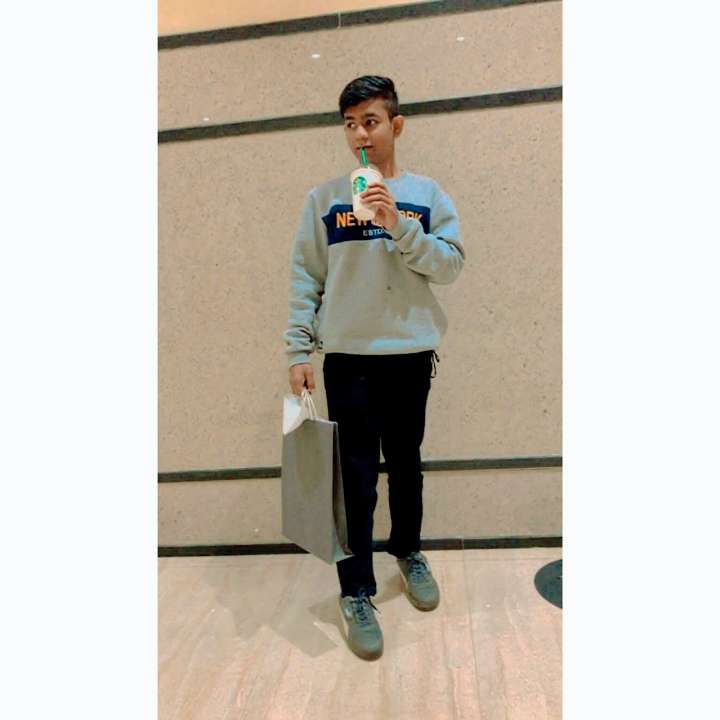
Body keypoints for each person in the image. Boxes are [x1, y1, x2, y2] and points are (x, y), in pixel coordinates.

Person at [283, 75, 465, 661]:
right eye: (350, 124)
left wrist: (399, 225)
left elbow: (450, 266)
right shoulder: (324, 200)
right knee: (355, 480)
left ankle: (407, 551)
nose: (360, 134)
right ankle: (356, 590)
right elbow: (306, 277)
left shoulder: (426, 194)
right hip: (349, 360)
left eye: (371, 121)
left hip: (409, 354)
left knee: (406, 464)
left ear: (396, 125)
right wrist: (298, 352)